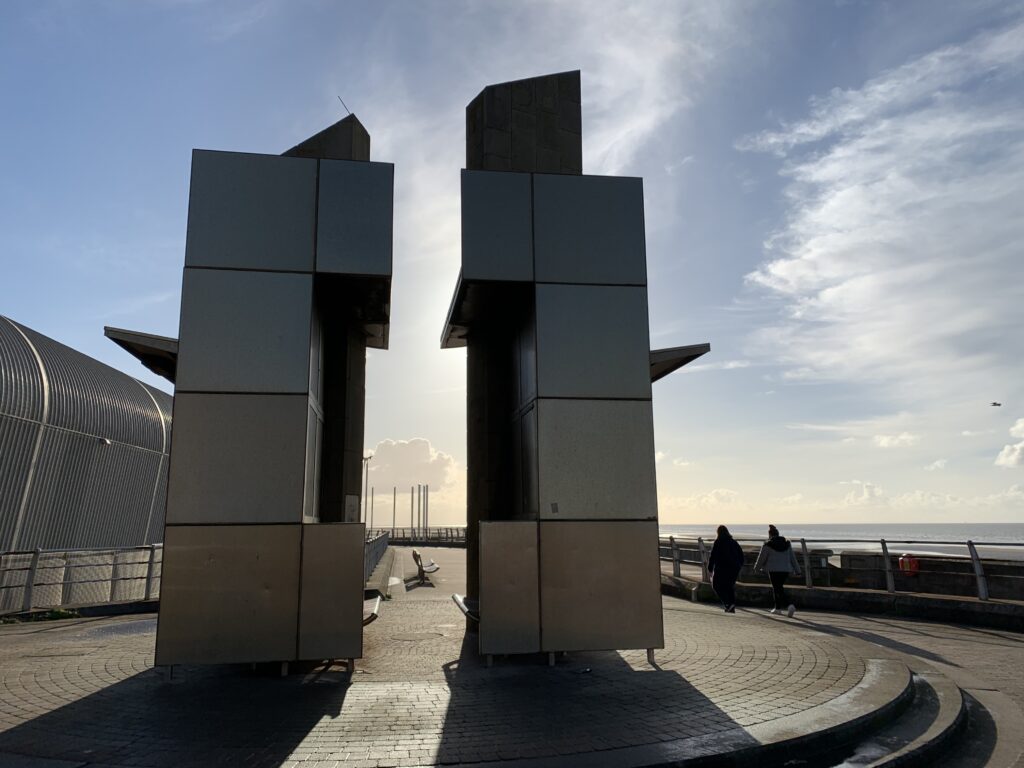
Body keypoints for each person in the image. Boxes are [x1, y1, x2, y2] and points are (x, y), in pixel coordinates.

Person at [754, 524, 802, 617]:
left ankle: (789, 605)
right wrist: (798, 570)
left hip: (773, 570)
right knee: (778, 588)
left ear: (770, 535)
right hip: (785, 570)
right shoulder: (787, 544)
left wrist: (756, 568)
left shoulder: (768, 544)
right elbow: (793, 558)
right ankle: (778, 608)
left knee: (777, 588)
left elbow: (761, 558)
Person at [707, 525, 744, 613]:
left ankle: (727, 603)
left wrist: (710, 567)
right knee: (729, 586)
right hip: (734, 568)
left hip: (722, 567)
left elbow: (713, 556)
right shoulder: (733, 542)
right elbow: (741, 555)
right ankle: (731, 605)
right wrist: (739, 565)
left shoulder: (718, 542)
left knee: (716, 585)